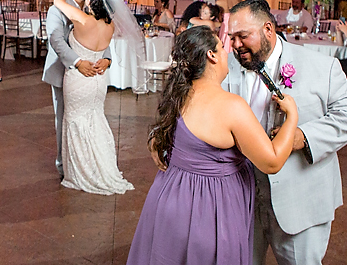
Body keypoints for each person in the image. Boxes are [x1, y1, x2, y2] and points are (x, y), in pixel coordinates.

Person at [128, 27, 299, 264]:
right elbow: (272, 161)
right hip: (210, 208)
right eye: (221, 46)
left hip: (169, 199)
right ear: (211, 55)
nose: (227, 51)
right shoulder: (231, 106)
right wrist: (292, 118)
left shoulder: (178, 94)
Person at [224, 0, 347, 265]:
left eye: (243, 36)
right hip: (241, 200)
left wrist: (303, 137)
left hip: (300, 199)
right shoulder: (226, 66)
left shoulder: (322, 66)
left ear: (268, 29)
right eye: (232, 38)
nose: (236, 45)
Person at [52, 0, 138, 195]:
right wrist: (106, 60)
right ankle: (103, 168)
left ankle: (81, 172)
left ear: (93, 1)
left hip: (79, 79)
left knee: (75, 122)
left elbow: (58, 2)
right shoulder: (109, 26)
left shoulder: (82, 19)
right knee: (95, 121)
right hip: (99, 80)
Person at [41, 0, 112, 180]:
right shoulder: (58, 9)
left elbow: (104, 35)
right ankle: (66, 166)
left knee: (90, 119)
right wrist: (77, 62)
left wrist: (107, 59)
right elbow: (57, 41)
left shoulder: (93, 8)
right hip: (66, 72)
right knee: (65, 119)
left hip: (91, 76)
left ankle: (88, 161)